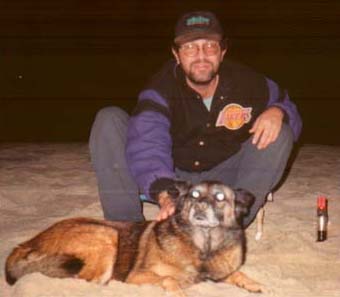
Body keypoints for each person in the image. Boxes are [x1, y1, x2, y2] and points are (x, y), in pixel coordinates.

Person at [89, 11, 302, 227]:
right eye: (190, 47)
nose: (201, 56)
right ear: (176, 54)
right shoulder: (160, 89)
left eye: (209, 46)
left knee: (280, 131)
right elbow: (148, 142)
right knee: (109, 119)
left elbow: (289, 106)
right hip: (172, 175)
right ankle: (125, 226)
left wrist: (279, 111)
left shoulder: (250, 82)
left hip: (225, 180)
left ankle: (231, 221)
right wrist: (165, 193)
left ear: (223, 51)